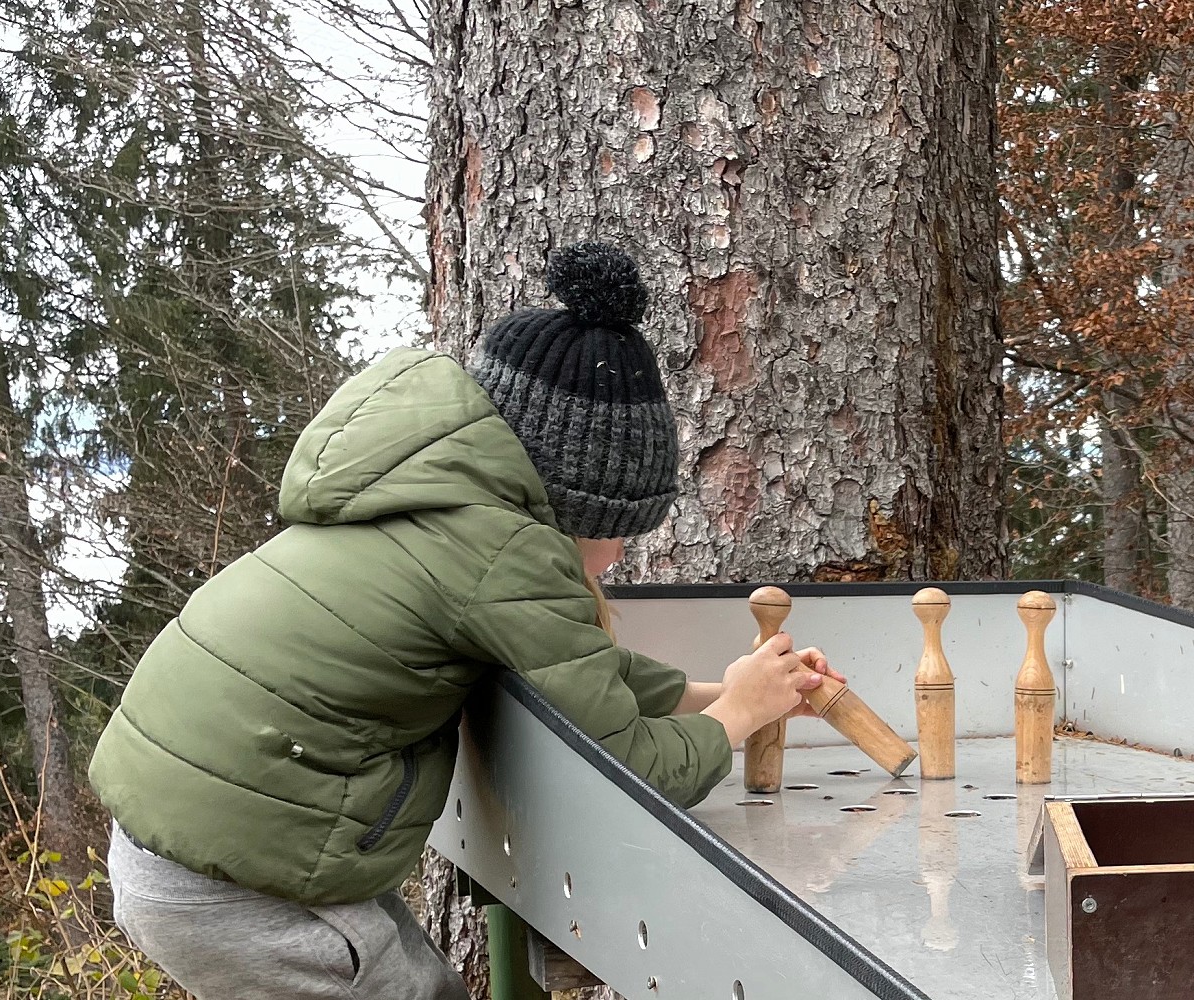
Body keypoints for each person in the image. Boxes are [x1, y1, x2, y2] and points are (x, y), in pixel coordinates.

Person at [88, 242, 842, 999]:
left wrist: (720, 691)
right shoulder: (508, 551)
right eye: (622, 532)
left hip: (213, 840)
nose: (616, 558)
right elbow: (631, 772)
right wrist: (740, 715)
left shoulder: (423, 499)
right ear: (582, 506)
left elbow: (577, 675)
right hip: (247, 885)